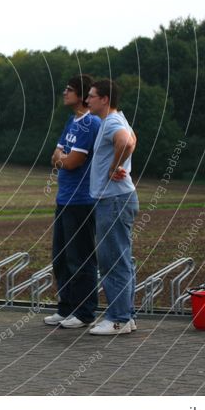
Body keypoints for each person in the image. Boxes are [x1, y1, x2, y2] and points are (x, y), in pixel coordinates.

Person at [43, 75, 101, 329]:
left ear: (80, 94)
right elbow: (55, 156)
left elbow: (71, 162)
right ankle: (66, 307)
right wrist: (62, 158)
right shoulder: (72, 120)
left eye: (69, 90)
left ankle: (85, 311)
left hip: (81, 201)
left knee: (81, 258)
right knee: (61, 257)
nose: (64, 93)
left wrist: (62, 158)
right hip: (64, 198)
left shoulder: (91, 123)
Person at [85, 79, 139, 335]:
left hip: (114, 201)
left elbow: (127, 142)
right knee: (121, 258)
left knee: (112, 260)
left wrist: (113, 166)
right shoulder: (117, 119)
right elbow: (133, 138)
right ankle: (126, 316)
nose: (88, 101)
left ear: (105, 99)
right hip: (117, 200)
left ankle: (118, 318)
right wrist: (120, 163)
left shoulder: (113, 122)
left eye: (92, 96)